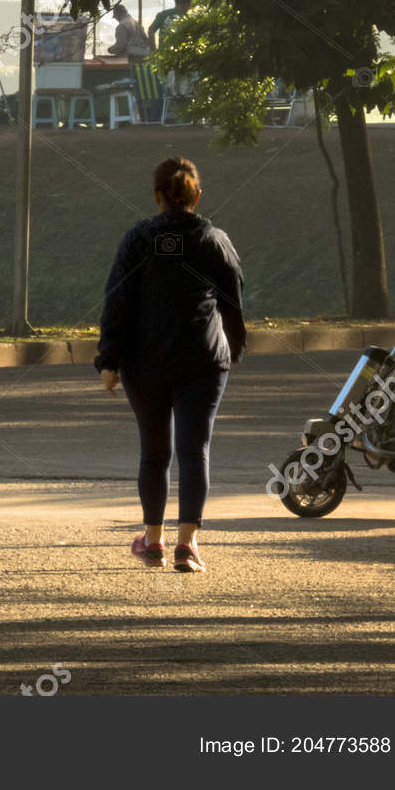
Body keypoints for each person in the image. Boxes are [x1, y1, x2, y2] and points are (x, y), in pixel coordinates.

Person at [95, 157, 246, 573]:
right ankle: (188, 546)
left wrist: (108, 359)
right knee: (194, 451)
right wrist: (231, 350)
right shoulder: (215, 240)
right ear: (196, 196)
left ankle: (153, 541)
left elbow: (118, 302)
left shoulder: (137, 240)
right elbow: (233, 301)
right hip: (203, 360)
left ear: (158, 196)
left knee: (154, 452)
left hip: (145, 363)